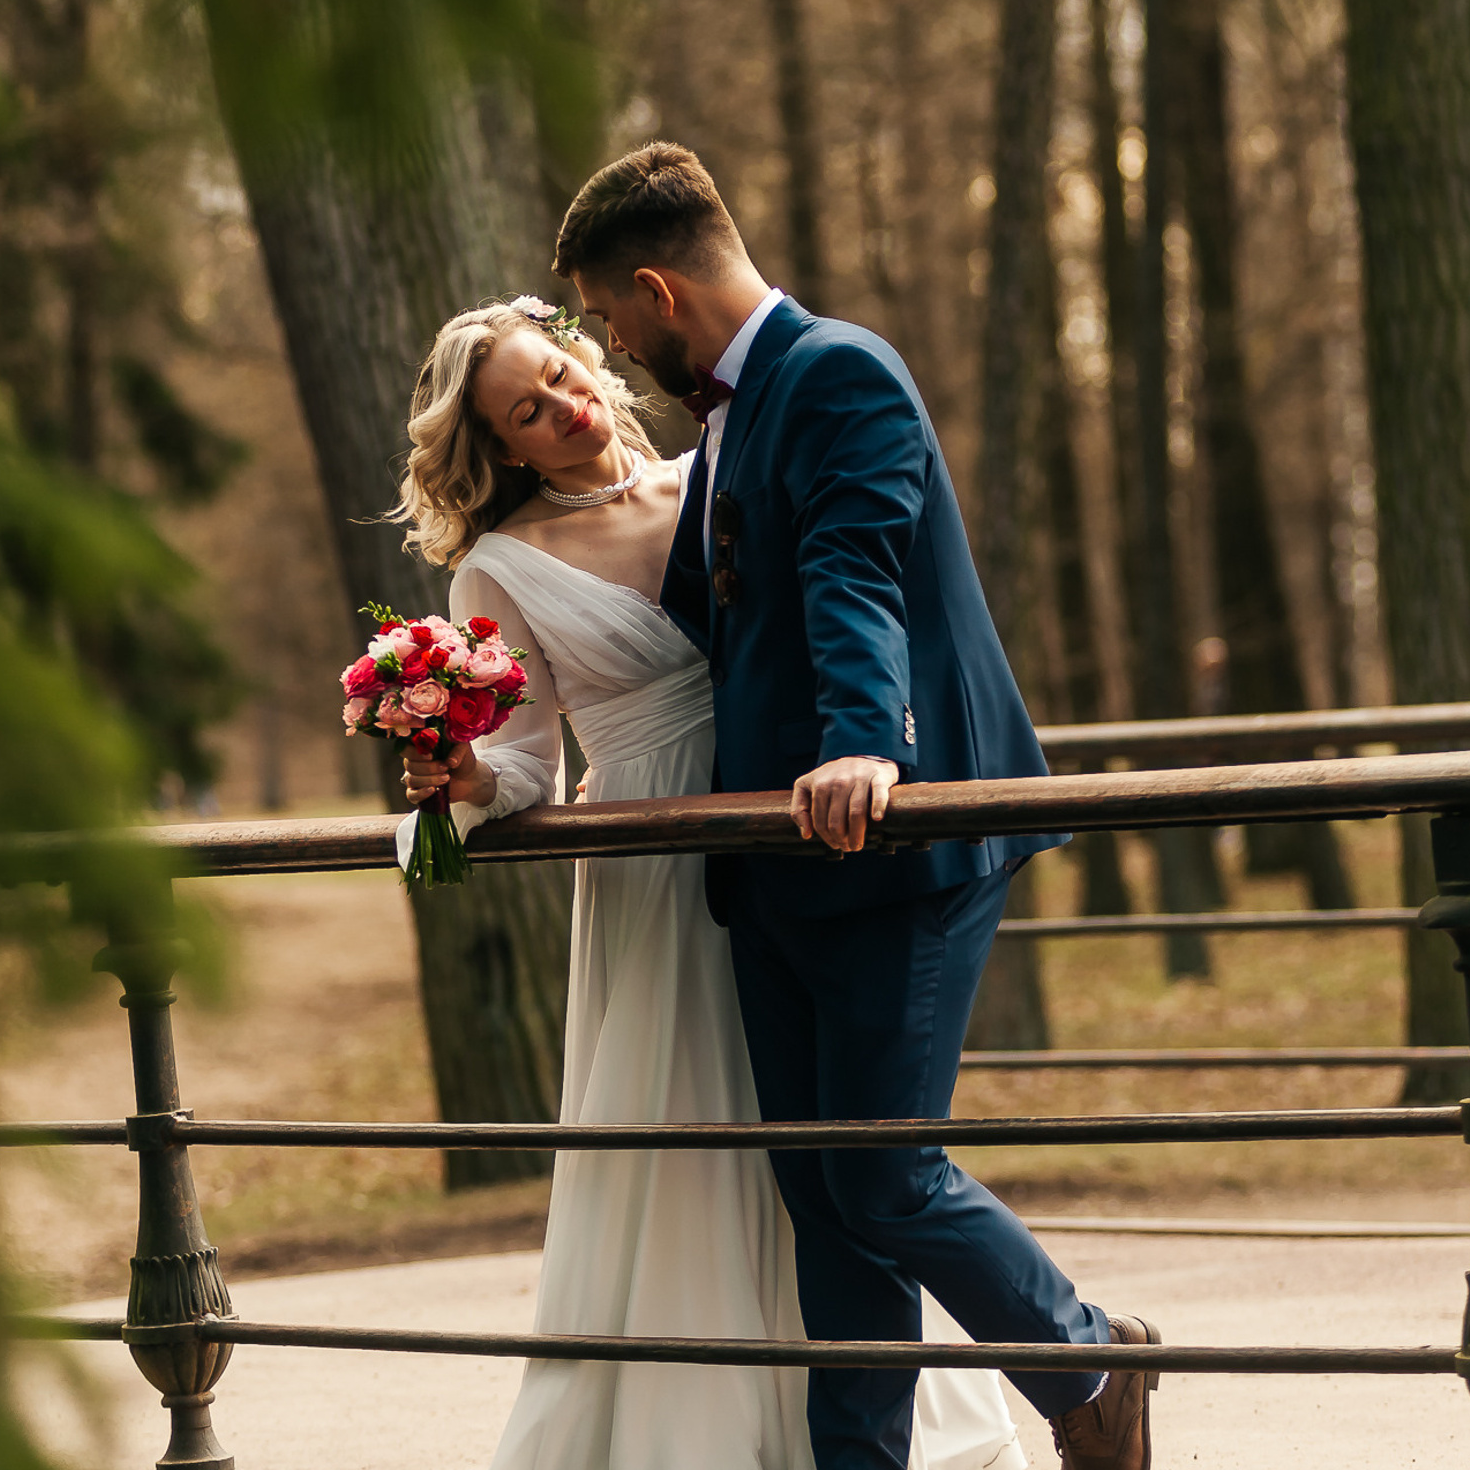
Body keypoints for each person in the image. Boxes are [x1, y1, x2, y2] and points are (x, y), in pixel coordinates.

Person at [552, 143, 1160, 1470]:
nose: (611, 342)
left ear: (656, 288)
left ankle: (1089, 1366)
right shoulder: (723, 420)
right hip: (771, 863)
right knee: (822, 1197)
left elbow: (856, 567)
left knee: (882, 1174)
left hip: (895, 845)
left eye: (607, 318)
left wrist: (863, 747)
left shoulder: (837, 371)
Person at [392, 295, 1029, 1470]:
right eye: (526, 414)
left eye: (562, 374)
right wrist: (460, 766)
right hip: (650, 873)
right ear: (500, 451)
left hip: (782, 829)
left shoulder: (716, 474)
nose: (566, 409)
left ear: (590, 352)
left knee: (837, 1141)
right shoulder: (498, 567)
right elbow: (524, 768)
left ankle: (865, 1429)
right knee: (695, 1137)